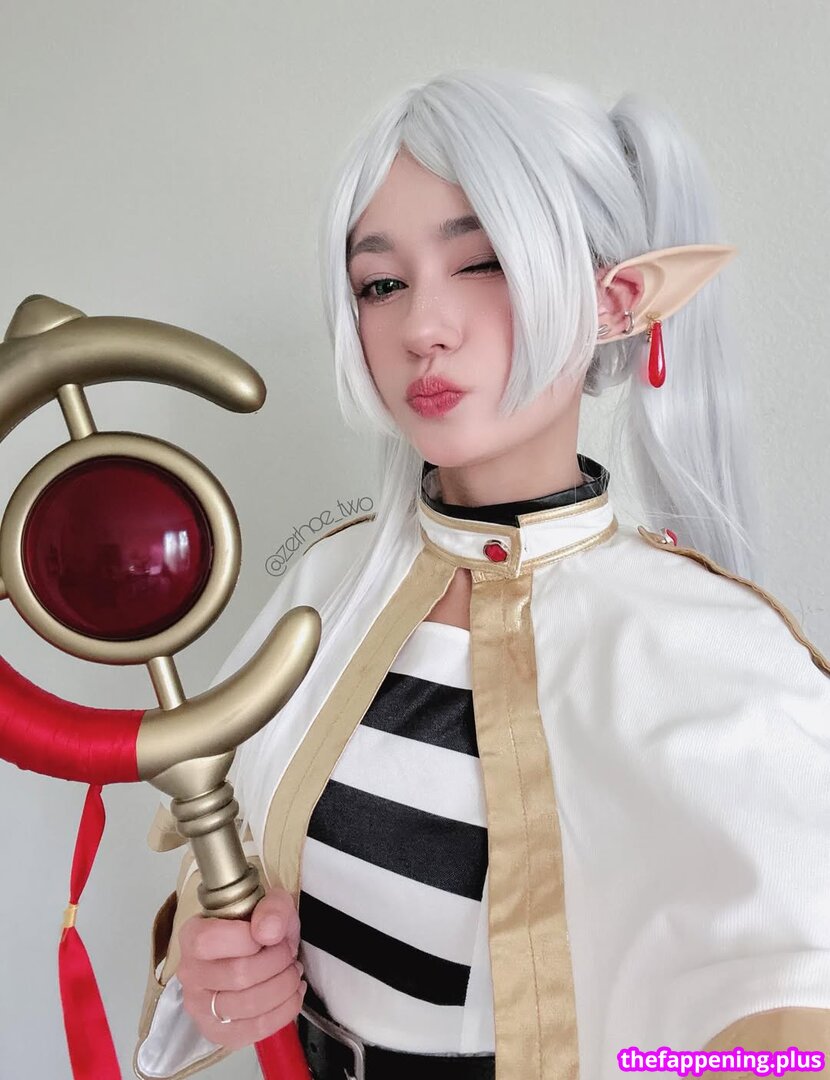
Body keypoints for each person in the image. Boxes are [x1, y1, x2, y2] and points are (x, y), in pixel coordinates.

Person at [134, 68, 830, 1080]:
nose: (423, 325)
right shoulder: (322, 588)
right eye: (380, 283)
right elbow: (228, 866)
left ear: (615, 299)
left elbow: (787, 996)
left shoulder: (717, 653)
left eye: (484, 263)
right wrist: (213, 971)